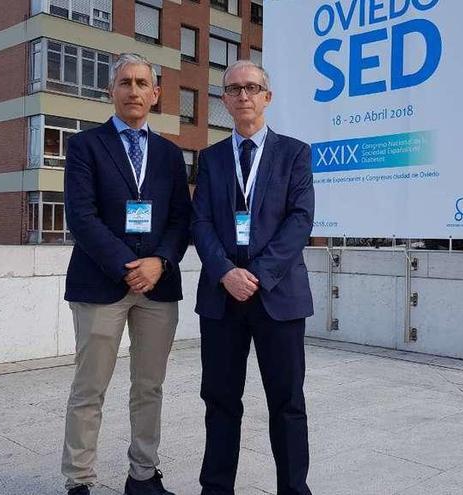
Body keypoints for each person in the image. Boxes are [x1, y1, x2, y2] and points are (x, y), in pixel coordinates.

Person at [61, 53, 191, 495]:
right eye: (125, 82)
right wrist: (126, 267)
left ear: (155, 94)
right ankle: (79, 481)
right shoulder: (84, 146)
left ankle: (143, 476)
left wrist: (159, 263)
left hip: (158, 287)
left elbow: (180, 219)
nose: (133, 91)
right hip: (101, 285)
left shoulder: (172, 155)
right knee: (89, 389)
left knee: (149, 388)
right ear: (111, 91)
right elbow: (81, 217)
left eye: (142, 83)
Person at [192, 59, 315, 495]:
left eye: (251, 87)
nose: (242, 95)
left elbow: (300, 221)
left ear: (267, 96)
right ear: (224, 100)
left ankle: (294, 490)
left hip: (278, 297)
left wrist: (257, 276)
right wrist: (225, 272)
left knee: (287, 403)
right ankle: (216, 488)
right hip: (221, 299)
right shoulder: (209, 159)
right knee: (220, 401)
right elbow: (200, 221)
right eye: (233, 89)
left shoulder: (295, 153)